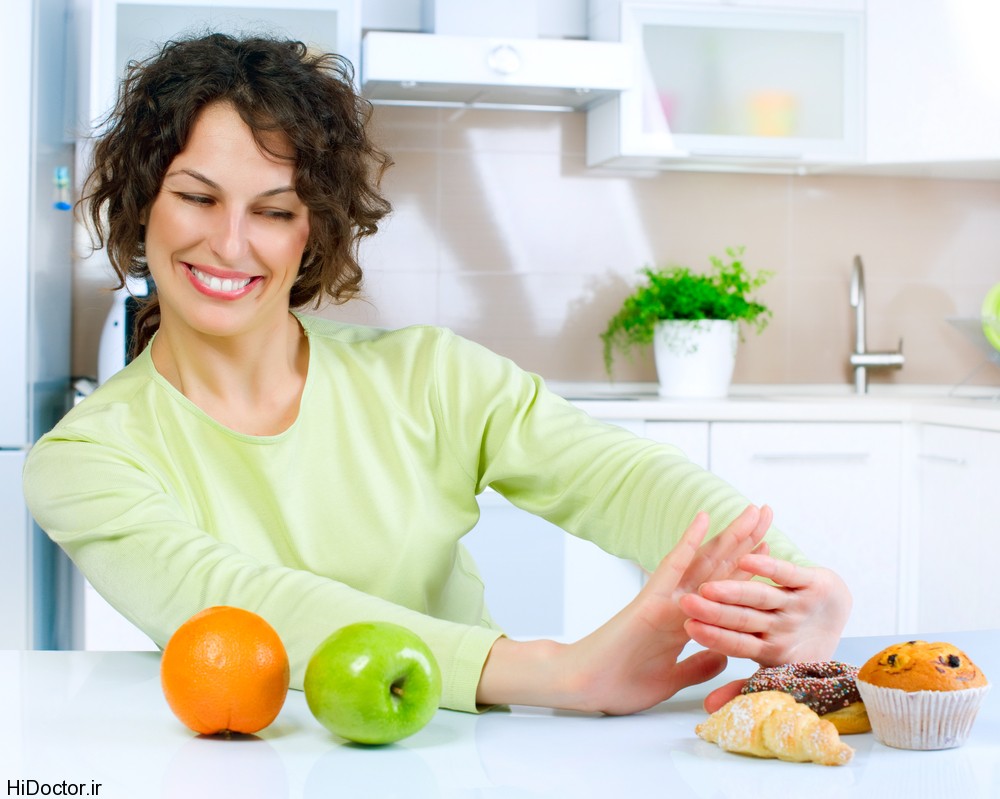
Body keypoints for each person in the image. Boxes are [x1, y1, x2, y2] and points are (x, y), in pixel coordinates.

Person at [22, 33, 851, 716]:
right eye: (197, 198)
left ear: (312, 233)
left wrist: (787, 587)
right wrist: (558, 671)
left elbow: (618, 478)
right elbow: (243, 602)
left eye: (273, 210)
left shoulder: (427, 376)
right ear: (142, 203)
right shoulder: (85, 460)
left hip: (469, 761)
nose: (231, 243)